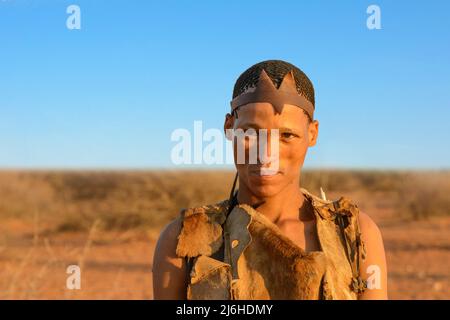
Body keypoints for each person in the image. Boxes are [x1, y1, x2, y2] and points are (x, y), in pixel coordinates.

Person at [153, 60, 387, 300]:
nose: (266, 155)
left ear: (312, 134)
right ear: (229, 127)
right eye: (250, 133)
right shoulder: (185, 240)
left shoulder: (353, 234)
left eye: (287, 135)